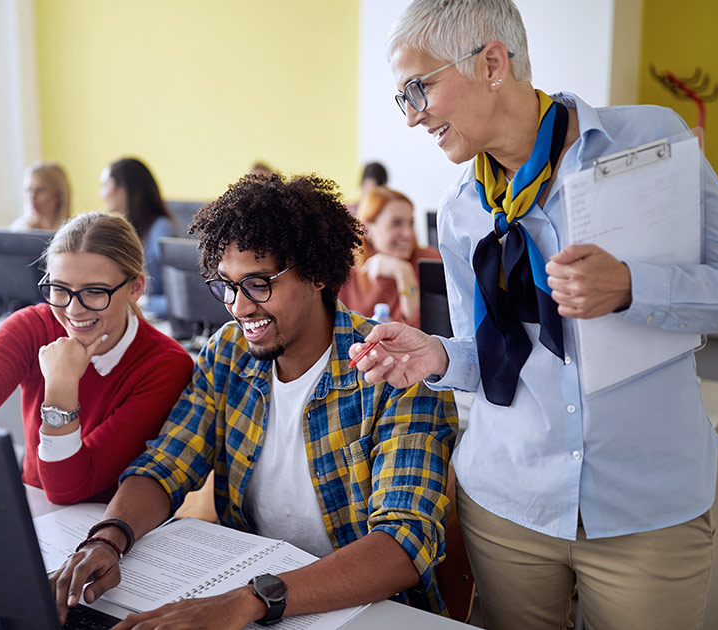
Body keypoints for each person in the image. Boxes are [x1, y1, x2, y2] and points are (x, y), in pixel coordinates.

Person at [353, 2, 718, 629]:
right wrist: (438, 355)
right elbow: (487, 354)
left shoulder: (652, 138)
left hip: (645, 509)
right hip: (506, 505)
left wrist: (631, 285)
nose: (411, 116)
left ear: (493, 62)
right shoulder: (463, 208)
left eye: (420, 88)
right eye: (401, 98)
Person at [49, 173, 458, 627]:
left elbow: (403, 544)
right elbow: (165, 465)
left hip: (367, 612)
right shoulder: (228, 352)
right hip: (259, 598)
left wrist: (249, 601)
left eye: (259, 284)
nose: (239, 307)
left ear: (318, 274)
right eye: (227, 284)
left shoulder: (392, 371)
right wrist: (107, 539)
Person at [0, 213, 193, 505]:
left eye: (94, 292)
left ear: (135, 288)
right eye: (59, 289)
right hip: (36, 511)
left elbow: (67, 489)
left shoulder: (166, 366)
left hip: (106, 525)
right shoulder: (32, 326)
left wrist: (61, 386)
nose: (73, 309)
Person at [340, 186, 440, 327]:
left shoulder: (429, 261)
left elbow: (422, 332)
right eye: (396, 223)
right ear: (366, 228)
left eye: (411, 223)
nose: (408, 233)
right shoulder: (345, 273)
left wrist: (403, 272)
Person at [99, 158, 177, 319]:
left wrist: (142, 302)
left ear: (123, 190)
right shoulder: (123, 230)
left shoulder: (160, 229)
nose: (102, 194)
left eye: (105, 186)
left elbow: (178, 300)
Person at [12, 161, 72, 231]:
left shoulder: (75, 231)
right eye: (28, 190)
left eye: (40, 190)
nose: (32, 197)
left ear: (58, 195)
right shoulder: (19, 228)